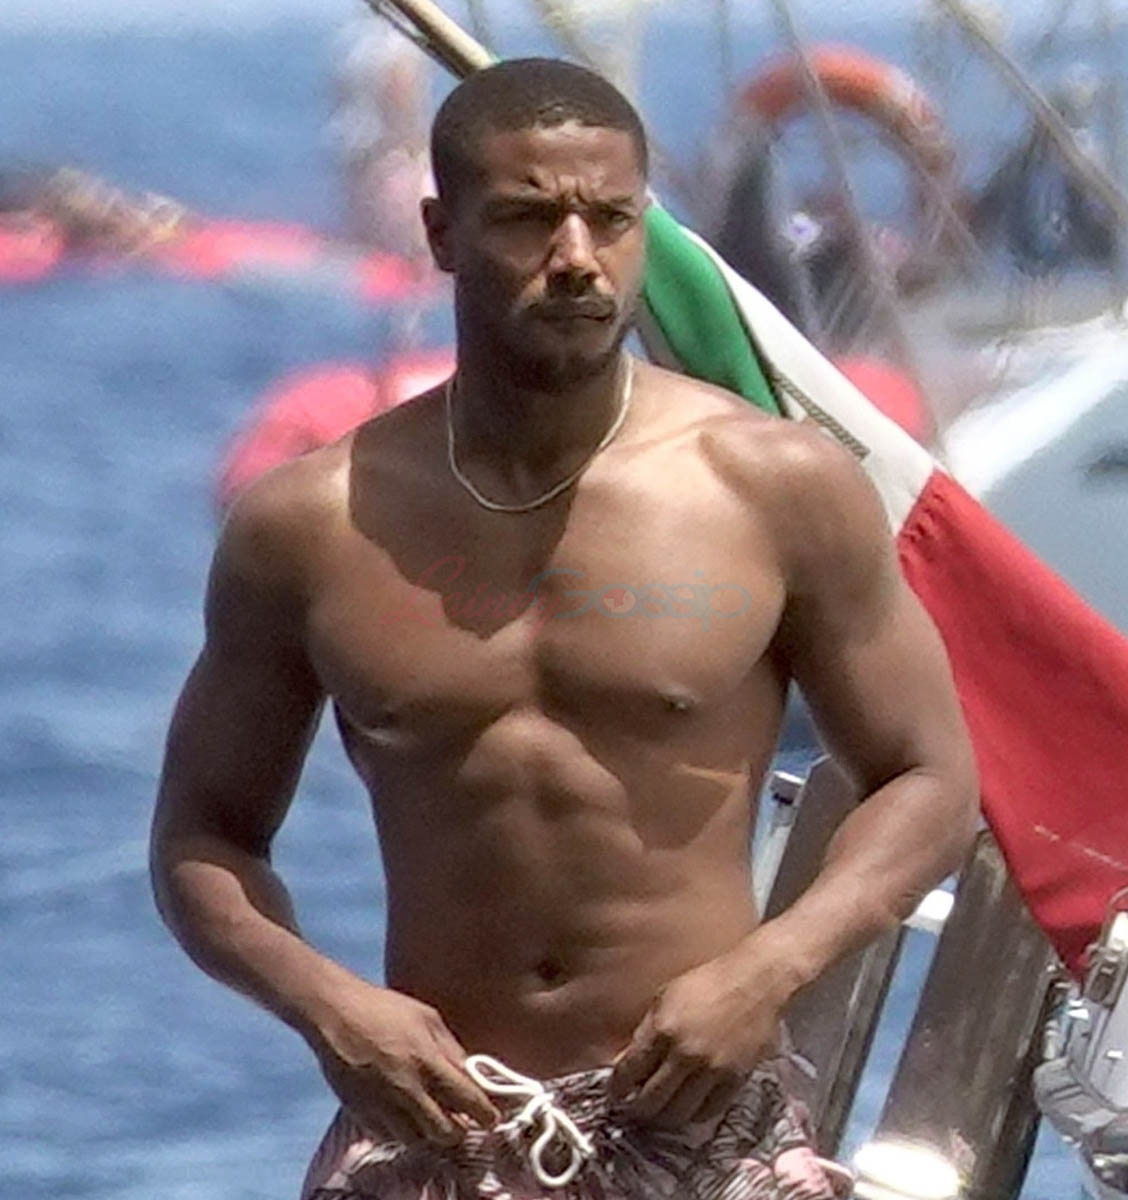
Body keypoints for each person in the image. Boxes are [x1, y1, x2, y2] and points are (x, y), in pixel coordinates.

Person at [150, 57, 978, 1200]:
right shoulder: (311, 524)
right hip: (434, 1125)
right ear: (442, 234)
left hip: (701, 1128)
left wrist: (769, 969)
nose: (578, 256)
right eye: (529, 218)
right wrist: (329, 1008)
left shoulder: (773, 487)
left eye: (612, 218)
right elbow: (203, 839)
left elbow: (930, 778)